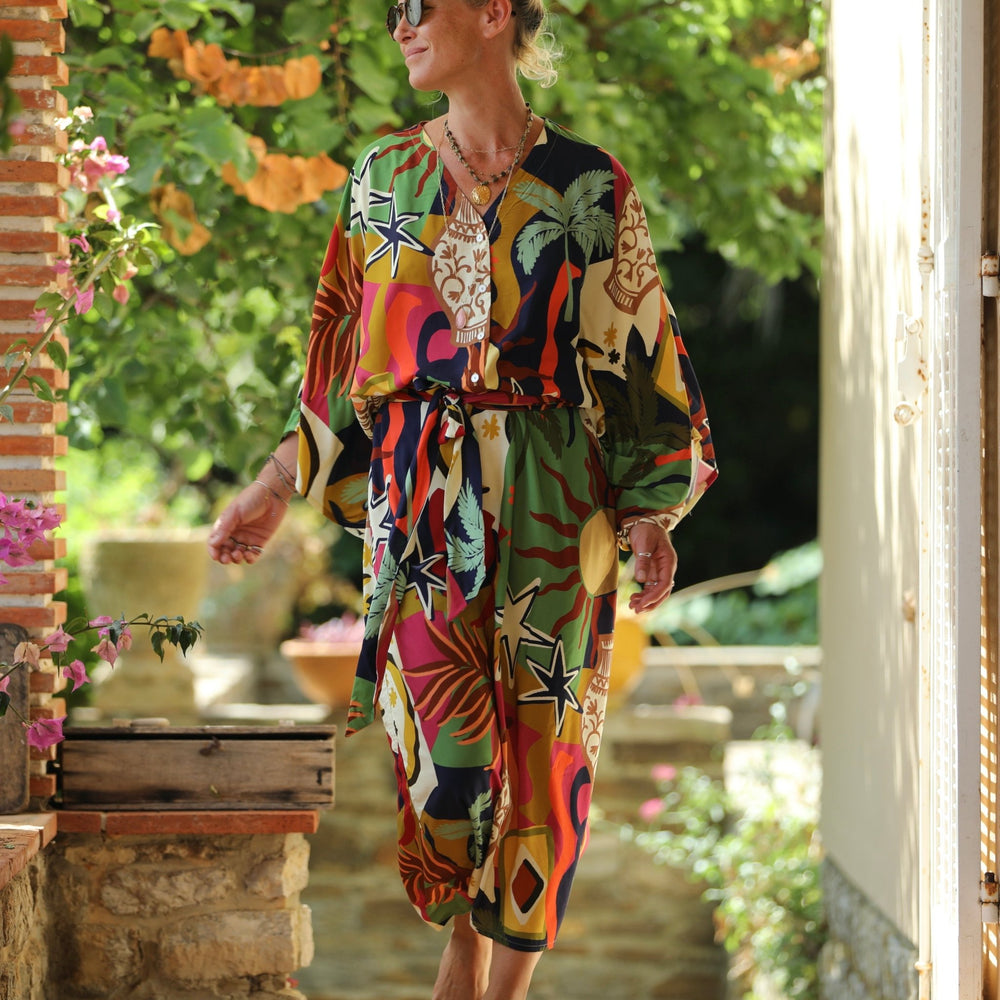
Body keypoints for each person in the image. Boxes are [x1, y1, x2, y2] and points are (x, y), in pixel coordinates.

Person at [208, 1, 716, 997]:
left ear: (491, 13)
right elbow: (337, 356)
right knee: (443, 754)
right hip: (419, 504)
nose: (398, 25)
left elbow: (635, 347)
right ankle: (462, 933)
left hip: (557, 498)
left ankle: (499, 982)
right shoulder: (382, 177)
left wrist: (649, 512)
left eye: (417, 6)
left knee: (546, 750)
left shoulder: (590, 182)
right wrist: (273, 486)